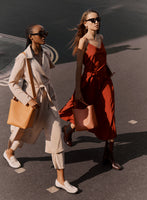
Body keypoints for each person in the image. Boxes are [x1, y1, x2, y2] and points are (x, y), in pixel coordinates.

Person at [3, 24, 78, 193]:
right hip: (32, 102)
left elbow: (47, 73)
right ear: (31, 36)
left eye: (45, 32)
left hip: (49, 101)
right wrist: (27, 99)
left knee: (56, 137)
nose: (44, 35)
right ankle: (9, 152)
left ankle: (61, 179)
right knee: (22, 132)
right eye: (41, 33)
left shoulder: (44, 53)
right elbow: (12, 83)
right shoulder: (23, 58)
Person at [59, 9, 122, 170]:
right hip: (89, 82)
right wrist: (78, 90)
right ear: (85, 23)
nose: (96, 22)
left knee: (109, 114)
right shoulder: (83, 41)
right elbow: (79, 67)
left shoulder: (101, 37)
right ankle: (68, 129)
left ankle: (109, 155)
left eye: (98, 19)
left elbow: (102, 58)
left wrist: (107, 68)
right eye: (92, 20)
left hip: (105, 81)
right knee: (84, 117)